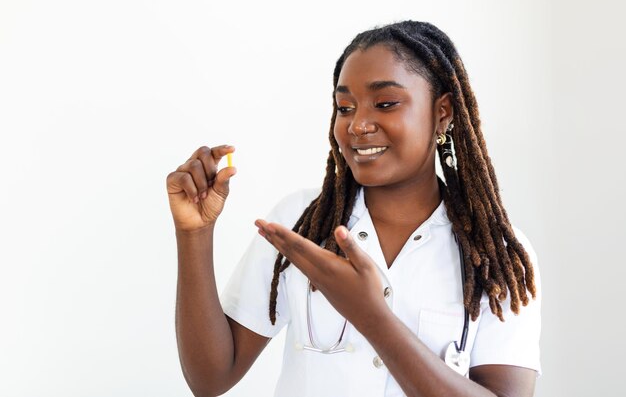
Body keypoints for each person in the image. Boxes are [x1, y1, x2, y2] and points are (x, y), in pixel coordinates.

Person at [166, 20, 541, 397]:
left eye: (385, 104)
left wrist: (371, 316)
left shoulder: (498, 258)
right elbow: (210, 378)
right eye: (345, 107)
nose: (358, 125)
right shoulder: (302, 223)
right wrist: (193, 234)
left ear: (442, 112)